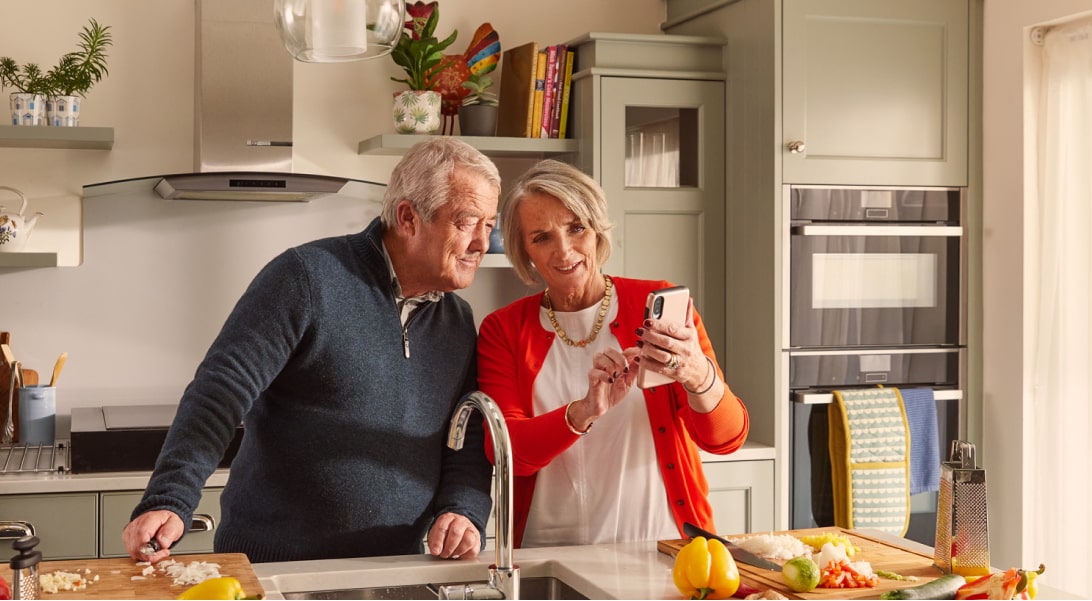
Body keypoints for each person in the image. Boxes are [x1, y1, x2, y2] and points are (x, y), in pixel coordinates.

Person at [122, 137, 501, 563]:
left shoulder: (458, 320)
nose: (482, 243)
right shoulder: (306, 278)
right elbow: (220, 393)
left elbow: (466, 438)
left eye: (489, 225)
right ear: (409, 217)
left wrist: (463, 510)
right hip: (276, 567)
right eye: (468, 222)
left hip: (392, 572)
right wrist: (169, 497)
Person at [476, 159, 749, 548]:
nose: (564, 250)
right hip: (550, 553)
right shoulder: (503, 329)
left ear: (597, 230)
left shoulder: (653, 301)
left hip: (663, 546)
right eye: (542, 238)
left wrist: (698, 376)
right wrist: (584, 411)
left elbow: (727, 438)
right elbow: (507, 453)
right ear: (524, 251)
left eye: (576, 228)